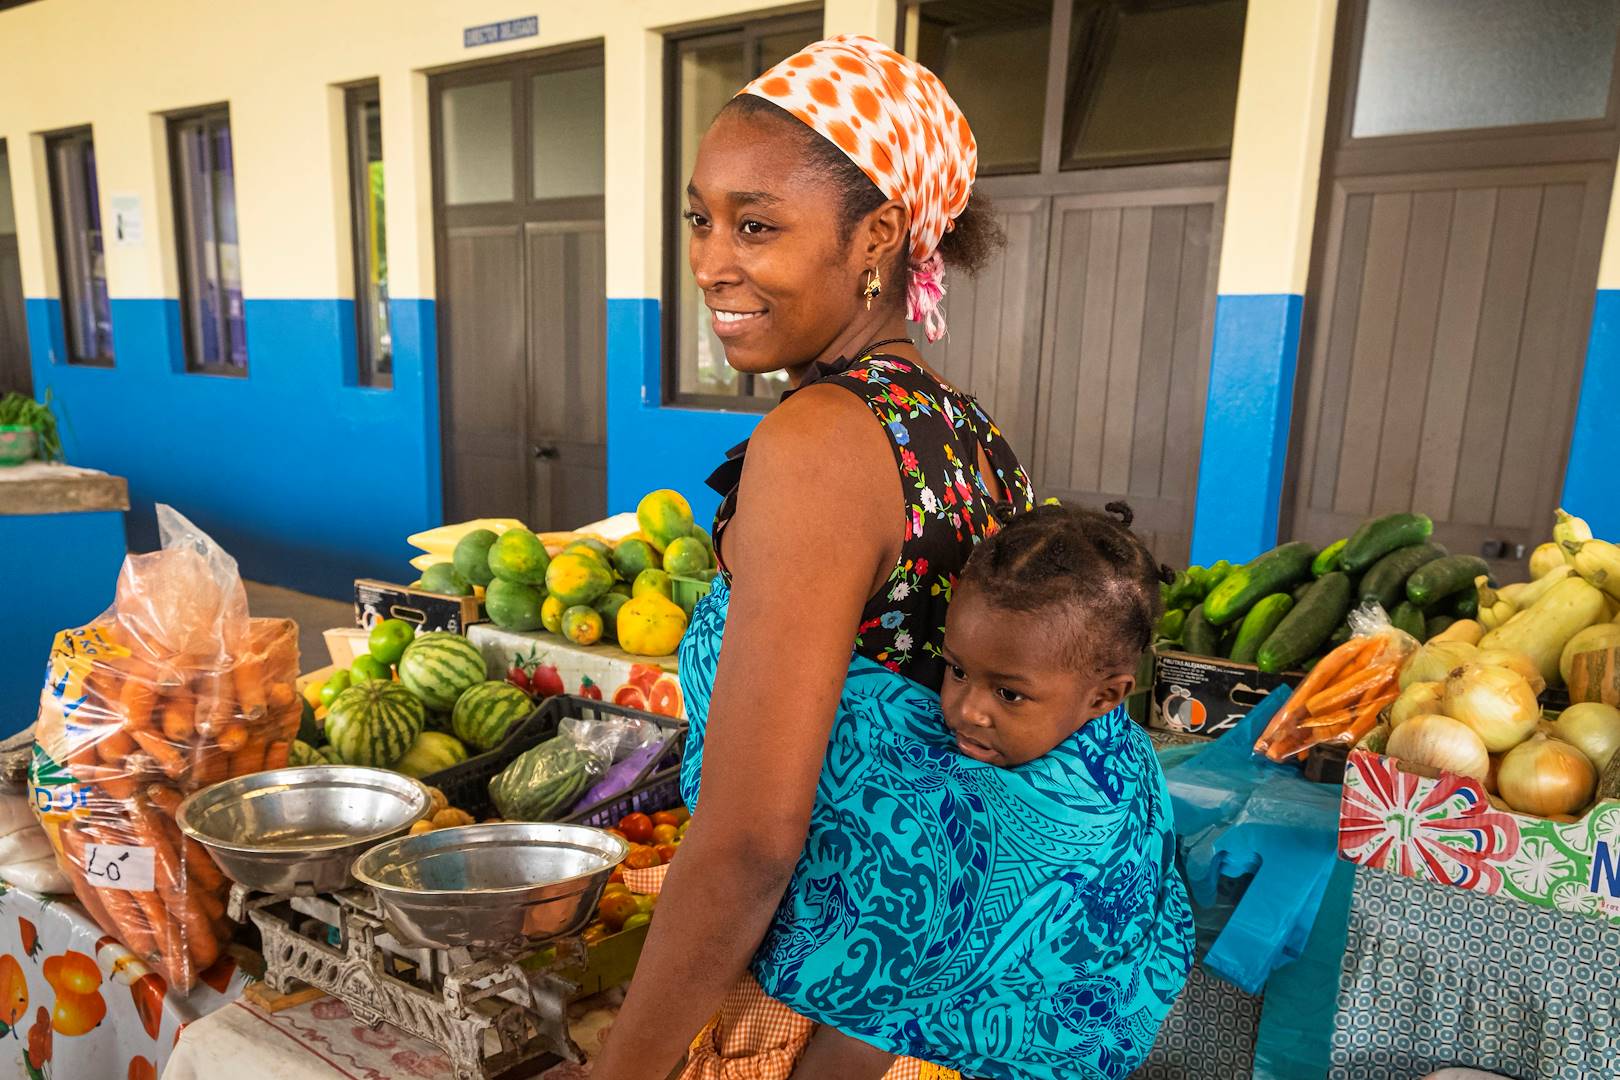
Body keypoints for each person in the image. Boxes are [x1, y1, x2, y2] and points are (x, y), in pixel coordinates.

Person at [590, 35, 1189, 1080]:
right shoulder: (956, 426)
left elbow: (748, 845)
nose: (711, 260)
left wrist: (621, 1070)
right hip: (947, 1011)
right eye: (701, 216)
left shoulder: (819, 444)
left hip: (845, 1022)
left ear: (878, 235)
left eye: (758, 224)